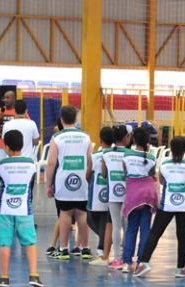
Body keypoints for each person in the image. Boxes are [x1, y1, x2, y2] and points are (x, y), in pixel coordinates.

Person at [134, 137, 185, 278]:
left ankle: (143, 263)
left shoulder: (164, 165)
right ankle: (180, 269)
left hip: (167, 204)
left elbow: (162, 181)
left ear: (171, 148)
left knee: (155, 233)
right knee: (183, 236)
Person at [0, 130, 44, 287]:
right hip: (24, 209)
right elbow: (31, 182)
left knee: (4, 242)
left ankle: (4, 277)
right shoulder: (30, 163)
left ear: (6, 147)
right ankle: (34, 274)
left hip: (5, 208)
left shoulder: (2, 164)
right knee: (30, 241)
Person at [45, 106, 91, 261]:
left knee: (64, 214)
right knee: (82, 214)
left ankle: (64, 249)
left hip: (63, 181)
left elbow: (51, 163)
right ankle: (85, 248)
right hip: (82, 180)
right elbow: (90, 161)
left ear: (62, 120)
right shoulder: (86, 137)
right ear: (76, 120)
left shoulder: (57, 138)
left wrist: (49, 185)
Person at [121, 128, 158, 273]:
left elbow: (126, 171)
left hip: (133, 195)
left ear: (134, 139)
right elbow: (152, 174)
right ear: (148, 141)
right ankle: (142, 261)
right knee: (145, 229)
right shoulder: (151, 157)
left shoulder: (126, 154)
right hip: (148, 194)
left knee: (131, 229)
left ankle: (127, 262)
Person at [101, 124, 129, 268]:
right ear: (126, 138)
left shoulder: (105, 153)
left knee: (116, 226)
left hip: (113, 194)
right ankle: (127, 257)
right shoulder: (130, 154)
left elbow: (104, 174)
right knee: (127, 226)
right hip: (128, 195)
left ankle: (117, 258)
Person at [87, 127, 113, 266]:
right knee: (105, 222)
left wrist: (89, 182)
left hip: (96, 193)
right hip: (111, 194)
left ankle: (103, 245)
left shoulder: (94, 155)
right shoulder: (117, 155)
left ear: (100, 140)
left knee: (90, 220)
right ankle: (106, 241)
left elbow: (87, 175)